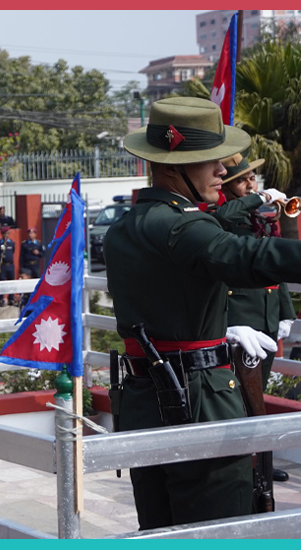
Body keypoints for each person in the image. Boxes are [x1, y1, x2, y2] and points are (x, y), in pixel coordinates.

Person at [104, 97, 301, 530]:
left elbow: (170, 296)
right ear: (173, 167)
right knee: (220, 529)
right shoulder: (181, 226)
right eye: (209, 161)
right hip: (198, 401)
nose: (222, 172)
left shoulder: (125, 225)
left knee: (159, 530)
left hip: (143, 400)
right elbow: (247, 256)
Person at [208, 152, 295, 483]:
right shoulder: (224, 215)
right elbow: (222, 215)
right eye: (243, 180)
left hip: (267, 314)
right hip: (239, 320)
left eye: (253, 179)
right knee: (239, 396)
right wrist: (257, 198)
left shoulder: (262, 217)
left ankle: (260, 462)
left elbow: (275, 263)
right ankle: (242, 462)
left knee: (258, 395)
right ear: (227, 187)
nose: (251, 184)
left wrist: (284, 309)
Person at [0, 226, 17, 306]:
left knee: (11, 282)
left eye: (8, 233)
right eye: (5, 233)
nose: (6, 235)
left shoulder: (11, 243)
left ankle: (11, 299)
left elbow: (13, 251)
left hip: (10, 265)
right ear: (2, 234)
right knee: (1, 283)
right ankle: (1, 299)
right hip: (2, 266)